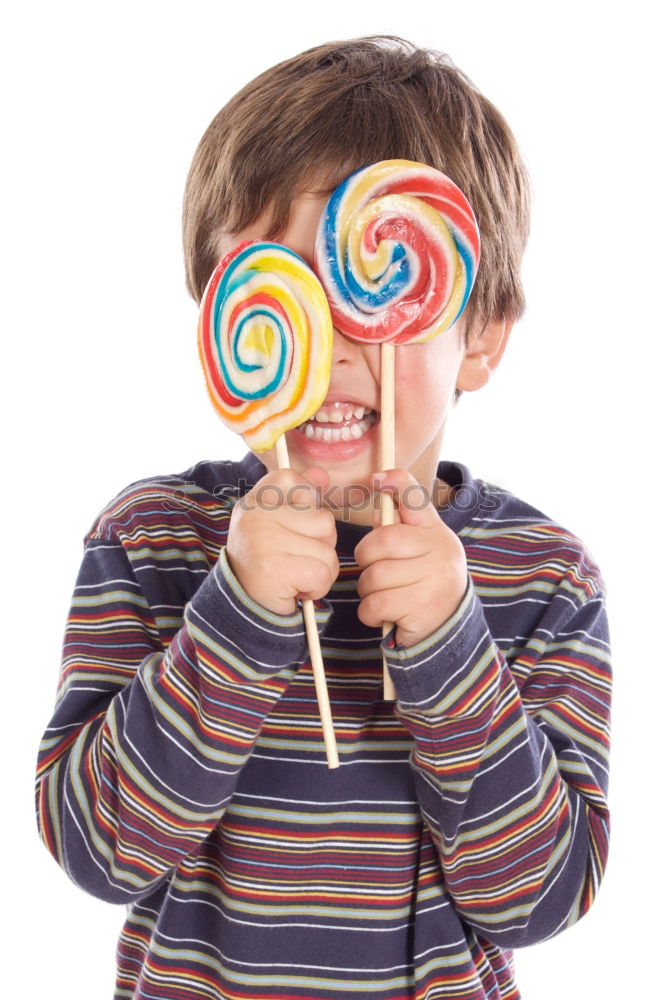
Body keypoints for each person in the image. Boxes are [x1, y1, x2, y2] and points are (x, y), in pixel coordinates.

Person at [35, 36, 611, 1000]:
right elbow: (98, 852)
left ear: (482, 334)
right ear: (219, 312)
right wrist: (235, 613)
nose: (332, 343)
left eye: (377, 286)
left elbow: (540, 898)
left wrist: (451, 644)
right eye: (282, 282)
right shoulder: (152, 541)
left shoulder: (543, 577)